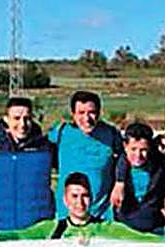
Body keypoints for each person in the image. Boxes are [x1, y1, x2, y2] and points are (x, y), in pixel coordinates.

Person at [0, 173, 163, 242]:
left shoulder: (106, 228)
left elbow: (139, 238)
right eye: (74, 196)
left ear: (92, 198)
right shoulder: (52, 228)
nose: (79, 203)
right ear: (65, 200)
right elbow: (22, 235)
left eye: (84, 196)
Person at [0, 96, 55, 230]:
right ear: (6, 119)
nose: (22, 124)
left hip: (39, 230)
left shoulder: (45, 148)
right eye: (16, 118)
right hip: (1, 229)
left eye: (27, 118)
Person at [50, 91, 123, 221]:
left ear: (99, 113)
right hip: (67, 215)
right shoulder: (61, 132)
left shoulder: (111, 134)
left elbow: (126, 158)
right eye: (81, 113)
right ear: (73, 114)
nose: (87, 118)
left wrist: (120, 182)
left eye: (91, 112)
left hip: (102, 214)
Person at [110, 122, 165, 234]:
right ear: (125, 146)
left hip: (155, 228)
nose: (138, 155)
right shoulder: (115, 167)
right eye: (133, 149)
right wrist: (120, 182)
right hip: (123, 227)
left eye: (143, 150)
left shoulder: (161, 166)